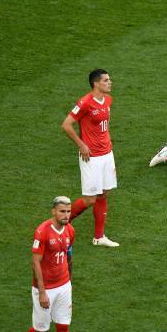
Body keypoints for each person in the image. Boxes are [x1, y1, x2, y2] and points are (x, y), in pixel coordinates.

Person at [61, 69, 119, 247]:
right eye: (106, 80)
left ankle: (99, 237)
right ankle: (60, 224)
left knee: (104, 194)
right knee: (90, 199)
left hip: (107, 154)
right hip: (91, 157)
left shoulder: (108, 100)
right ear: (96, 84)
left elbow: (103, 126)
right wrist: (81, 144)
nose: (110, 82)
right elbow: (66, 125)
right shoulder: (85, 102)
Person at [15, 196, 75, 332]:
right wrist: (42, 292)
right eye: (62, 211)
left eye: (68, 212)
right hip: (45, 288)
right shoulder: (42, 231)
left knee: (63, 326)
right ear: (54, 211)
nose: (66, 215)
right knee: (41, 329)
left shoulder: (70, 230)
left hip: (64, 284)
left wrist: (69, 278)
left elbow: (68, 253)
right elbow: (35, 262)